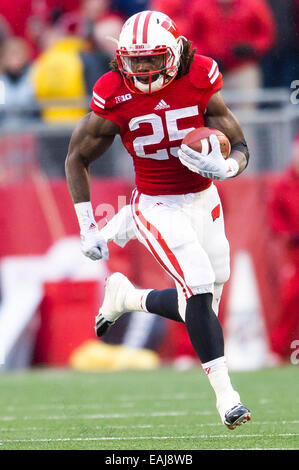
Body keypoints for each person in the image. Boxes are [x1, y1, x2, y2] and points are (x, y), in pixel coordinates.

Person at [65, 10, 251, 430]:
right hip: (157, 203)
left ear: (176, 53)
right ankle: (228, 399)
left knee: (201, 303)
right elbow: (77, 156)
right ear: (122, 59)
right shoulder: (114, 91)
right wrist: (86, 224)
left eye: (153, 59)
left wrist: (230, 167)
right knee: (199, 284)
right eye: (136, 60)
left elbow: (238, 142)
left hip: (205, 199)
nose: (144, 69)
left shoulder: (200, 75)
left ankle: (127, 298)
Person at [267, 136, 299, 360]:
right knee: (291, 299)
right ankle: (278, 351)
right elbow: (276, 219)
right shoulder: (283, 184)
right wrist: (289, 234)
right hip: (296, 253)